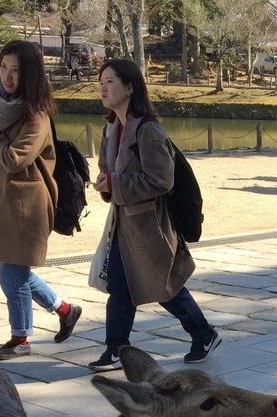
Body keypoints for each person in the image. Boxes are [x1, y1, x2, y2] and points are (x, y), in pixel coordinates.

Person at [86, 58, 220, 371]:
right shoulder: (111, 129)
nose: (103, 88)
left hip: (151, 225)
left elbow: (161, 179)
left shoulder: (148, 130)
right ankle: (116, 349)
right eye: (101, 82)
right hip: (123, 224)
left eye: (110, 82)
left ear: (130, 87)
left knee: (163, 286)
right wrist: (106, 183)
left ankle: (203, 333)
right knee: (120, 287)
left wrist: (115, 183)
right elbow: (109, 172)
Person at [0, 40, 81, 361]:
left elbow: (15, 159)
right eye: (3, 67)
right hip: (7, 201)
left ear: (30, 74)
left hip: (29, 205)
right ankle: (65, 310)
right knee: (18, 271)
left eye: (16, 70)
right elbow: (0, 155)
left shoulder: (37, 117)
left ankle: (20, 338)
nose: (7, 76)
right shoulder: (0, 107)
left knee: (11, 274)